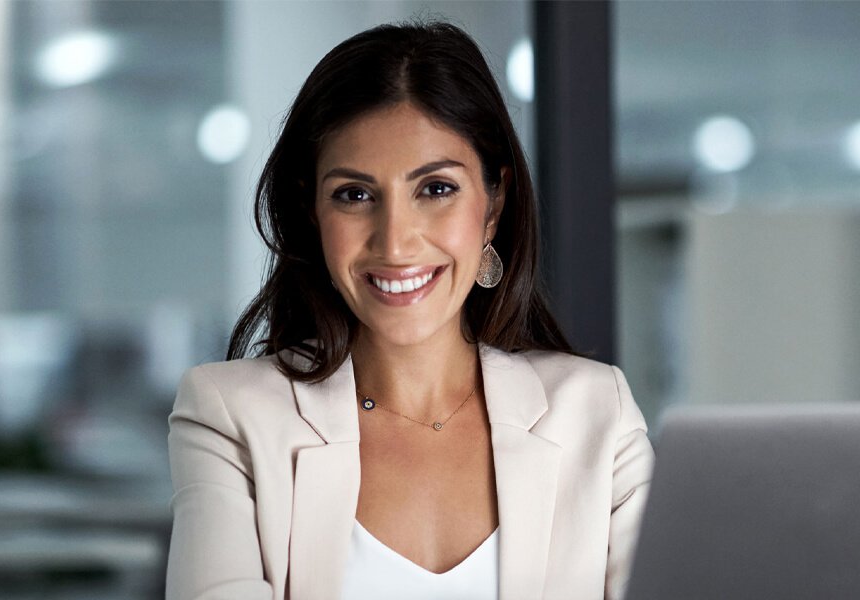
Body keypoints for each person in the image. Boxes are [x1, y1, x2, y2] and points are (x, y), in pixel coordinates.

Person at [165, 20, 654, 600]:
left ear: (492, 205)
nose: (394, 243)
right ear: (312, 213)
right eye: (355, 195)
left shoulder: (597, 413)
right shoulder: (231, 417)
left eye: (436, 189)